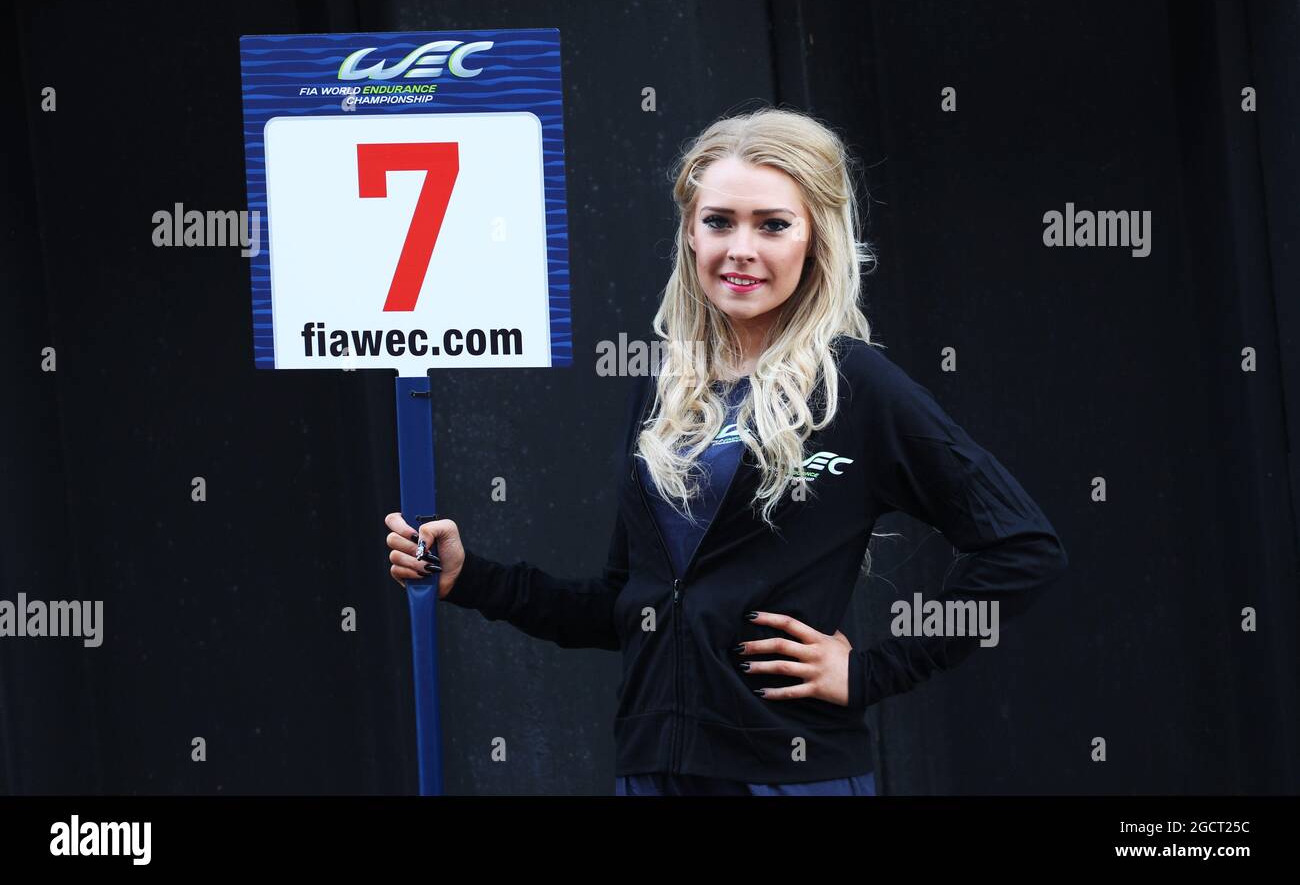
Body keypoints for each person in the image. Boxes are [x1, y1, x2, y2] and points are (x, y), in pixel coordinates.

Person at [385, 106, 1068, 796]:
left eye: (773, 225)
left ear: (816, 239)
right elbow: (629, 608)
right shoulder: (666, 389)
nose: (741, 247)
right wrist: (474, 578)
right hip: (654, 773)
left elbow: (1024, 548)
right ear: (689, 232)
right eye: (720, 221)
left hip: (788, 777)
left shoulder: (854, 386)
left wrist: (872, 673)